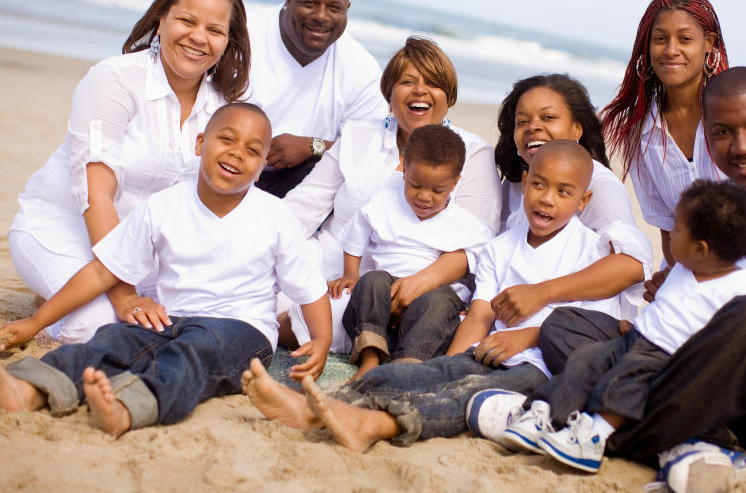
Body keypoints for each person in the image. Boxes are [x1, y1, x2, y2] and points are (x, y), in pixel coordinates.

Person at [475, 68, 746, 493]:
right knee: (569, 328)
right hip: (719, 406)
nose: (740, 146)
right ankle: (689, 450)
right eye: (721, 132)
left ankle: (583, 423)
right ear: (707, 137)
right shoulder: (716, 207)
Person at [239, 141, 636, 453]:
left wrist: (527, 337)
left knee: (463, 396)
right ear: (526, 181)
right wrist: (450, 362)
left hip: (540, 368)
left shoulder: (592, 253)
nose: (547, 198)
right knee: (429, 375)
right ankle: (323, 407)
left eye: (564, 192)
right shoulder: (502, 246)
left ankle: (370, 424)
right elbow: (480, 313)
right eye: (539, 184)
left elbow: (585, 330)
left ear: (583, 202)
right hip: (487, 350)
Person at [0, 103, 331, 438]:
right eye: (227, 139)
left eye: (253, 150)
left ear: (264, 161)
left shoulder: (275, 217)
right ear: (201, 143)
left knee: (195, 353)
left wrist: (322, 341)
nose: (238, 153)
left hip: (241, 331)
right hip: (169, 320)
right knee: (112, 340)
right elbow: (102, 272)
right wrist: (35, 323)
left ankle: (126, 408)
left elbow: (310, 289)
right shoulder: (165, 205)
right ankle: (28, 390)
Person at [8, 0, 251, 344]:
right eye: (187, 20)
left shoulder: (222, 107)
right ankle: (57, 301)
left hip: (144, 253)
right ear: (161, 21)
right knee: (93, 326)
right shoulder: (114, 80)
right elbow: (96, 195)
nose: (199, 37)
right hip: (66, 229)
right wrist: (123, 294)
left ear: (227, 41)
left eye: (215, 30)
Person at [496, 180, 746, 477]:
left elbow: (729, 346)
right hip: (637, 339)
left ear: (701, 249)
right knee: (586, 361)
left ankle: (594, 436)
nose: (670, 236)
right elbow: (666, 311)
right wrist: (639, 318)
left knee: (625, 382)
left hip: (666, 360)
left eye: (677, 230)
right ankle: (543, 414)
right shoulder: (684, 268)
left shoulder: (740, 293)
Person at [281, 36, 502, 353]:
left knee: (302, 318)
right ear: (390, 94)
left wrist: (416, 285)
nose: (420, 91)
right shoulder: (359, 134)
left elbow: (475, 247)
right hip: (328, 258)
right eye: (407, 81)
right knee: (253, 285)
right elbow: (303, 208)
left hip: (406, 281)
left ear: (448, 97)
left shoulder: (473, 152)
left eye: (433, 84)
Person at [598, 0, 746, 265]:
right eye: (660, 39)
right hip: (690, 277)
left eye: (685, 39)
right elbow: (669, 229)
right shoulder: (641, 132)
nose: (671, 50)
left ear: (709, 44)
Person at [336, 125, 492, 380]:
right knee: (372, 280)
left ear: (455, 183)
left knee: (441, 300)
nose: (424, 197)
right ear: (404, 169)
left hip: (431, 302)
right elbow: (355, 235)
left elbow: (484, 269)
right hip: (385, 291)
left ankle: (407, 367)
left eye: (437, 190)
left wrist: (471, 304)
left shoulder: (469, 226)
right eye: (415, 184)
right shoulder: (383, 202)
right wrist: (350, 273)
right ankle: (370, 358)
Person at [493, 74, 653, 320]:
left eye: (548, 118)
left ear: (576, 129)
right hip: (514, 315)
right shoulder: (516, 182)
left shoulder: (598, 185)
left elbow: (631, 264)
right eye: (522, 121)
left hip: (580, 324)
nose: (532, 127)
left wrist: (541, 293)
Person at [246, 0, 387, 196]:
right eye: (309, 3)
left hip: (302, 189)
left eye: (334, 7)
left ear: (347, 9)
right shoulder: (244, 34)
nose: (321, 16)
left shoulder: (361, 69)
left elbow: (368, 151)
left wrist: (311, 146)